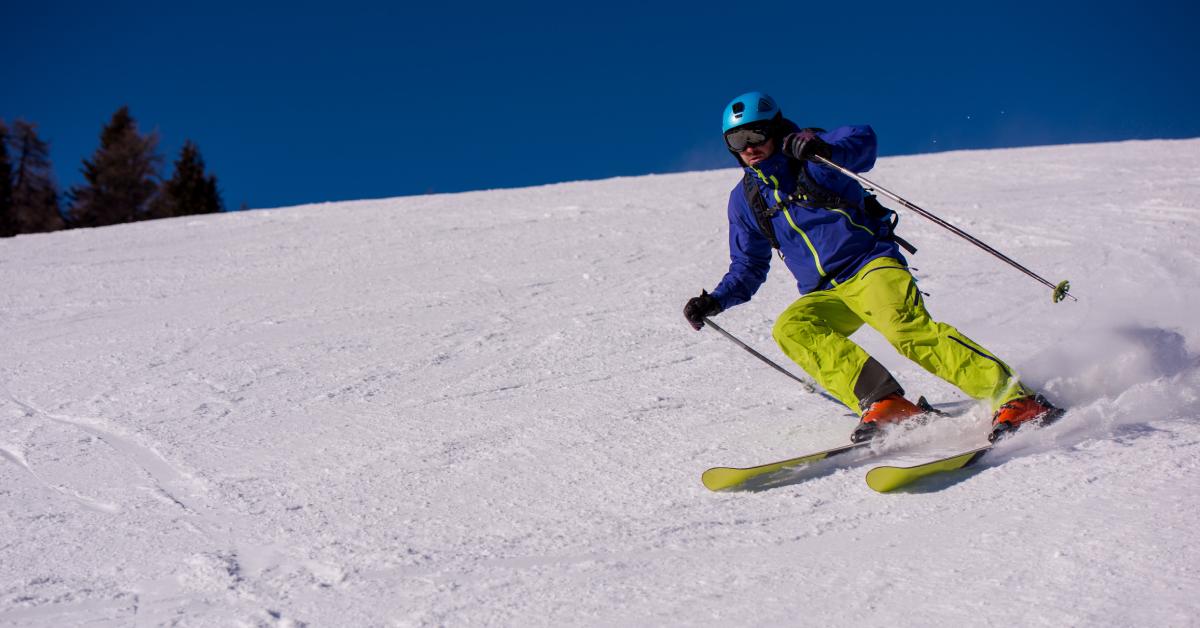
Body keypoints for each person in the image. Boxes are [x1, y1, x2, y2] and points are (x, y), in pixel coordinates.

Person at [684, 91, 1059, 443]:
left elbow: (863, 140)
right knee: (793, 329)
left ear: (776, 129)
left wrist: (821, 148)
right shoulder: (746, 199)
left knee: (905, 331)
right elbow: (748, 264)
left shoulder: (815, 157)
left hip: (869, 266)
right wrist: (715, 301)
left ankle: (1016, 398)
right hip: (825, 291)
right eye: (736, 141)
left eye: (755, 134)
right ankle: (886, 402)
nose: (749, 146)